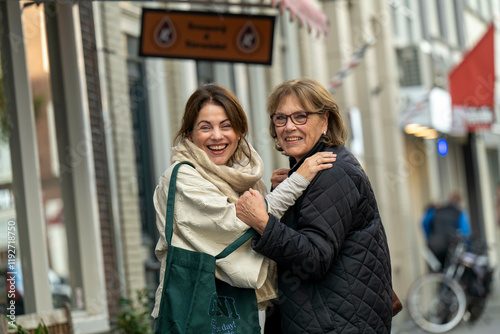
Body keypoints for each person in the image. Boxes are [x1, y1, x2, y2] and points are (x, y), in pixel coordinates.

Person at [151, 83, 336, 331]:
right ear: (189, 135)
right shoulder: (183, 177)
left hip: (245, 309)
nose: (217, 136)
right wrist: (298, 180)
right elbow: (237, 223)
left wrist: (273, 193)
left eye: (226, 126)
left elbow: (260, 224)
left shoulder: (238, 175)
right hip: (199, 312)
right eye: (205, 127)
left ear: (239, 132)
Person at [236, 78, 393, 333]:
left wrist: (264, 223)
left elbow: (314, 258)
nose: (289, 127)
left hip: (335, 324)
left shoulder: (332, 172)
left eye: (300, 116)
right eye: (281, 118)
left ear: (325, 121)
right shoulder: (311, 171)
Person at [422, 190, 471, 269]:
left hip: (436, 248)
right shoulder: (459, 213)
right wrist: (468, 247)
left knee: (439, 274)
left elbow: (424, 222)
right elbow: (465, 233)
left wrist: (429, 238)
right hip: (452, 249)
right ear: (460, 202)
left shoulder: (437, 211)